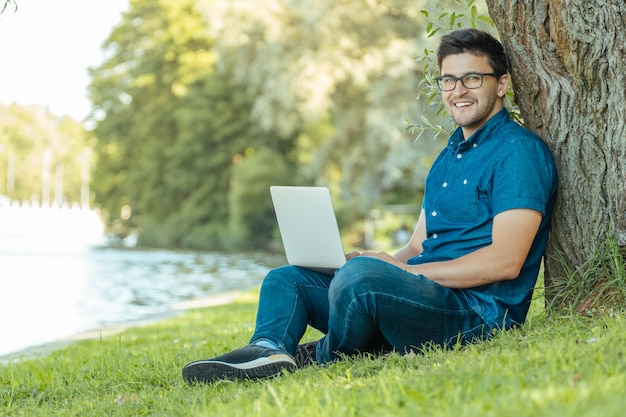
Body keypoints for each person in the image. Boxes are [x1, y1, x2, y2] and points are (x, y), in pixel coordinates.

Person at [182, 28, 558, 384]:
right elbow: (414, 249)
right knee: (288, 279)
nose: (458, 90)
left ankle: (316, 355)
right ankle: (267, 350)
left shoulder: (518, 152)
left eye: (472, 78)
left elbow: (506, 261)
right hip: (421, 298)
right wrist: (377, 261)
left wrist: (393, 273)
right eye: (448, 79)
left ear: (501, 84)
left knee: (361, 279)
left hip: (476, 313)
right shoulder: (447, 159)